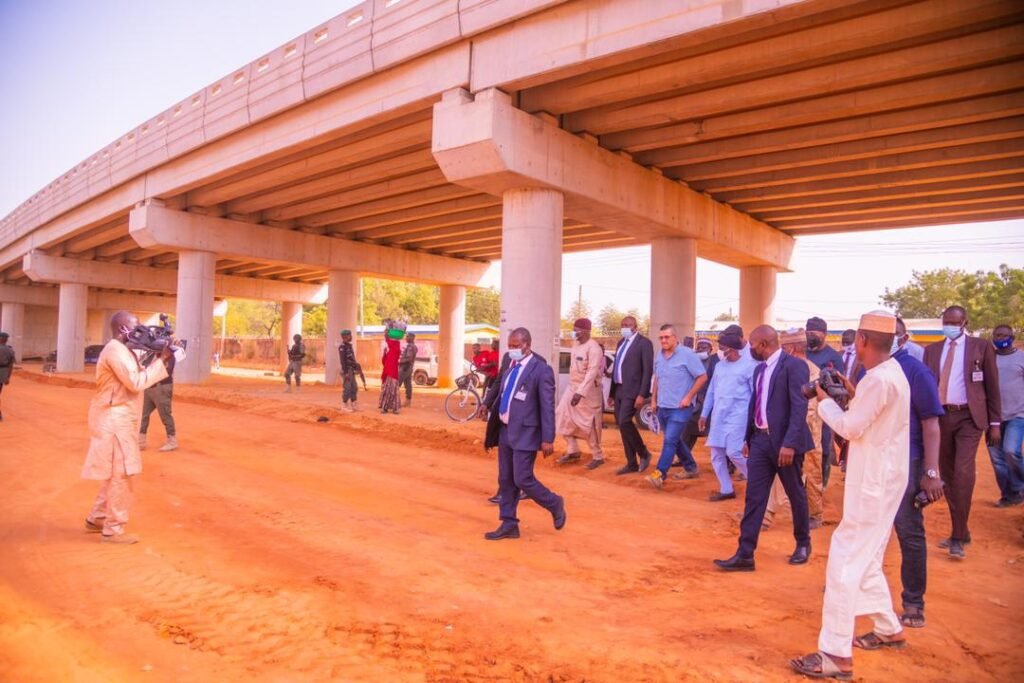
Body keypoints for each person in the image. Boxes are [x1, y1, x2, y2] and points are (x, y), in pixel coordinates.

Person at [791, 311, 911, 681]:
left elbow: (850, 426)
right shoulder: (892, 375)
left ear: (861, 340)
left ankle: (835, 654)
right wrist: (852, 395)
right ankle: (889, 628)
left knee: (844, 562)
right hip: (886, 479)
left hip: (872, 483)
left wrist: (825, 400)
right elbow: (870, 416)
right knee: (869, 555)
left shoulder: (878, 379)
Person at [714, 325, 813, 572]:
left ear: (763, 344)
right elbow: (755, 404)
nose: (751, 350)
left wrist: (789, 443)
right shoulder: (759, 370)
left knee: (795, 493)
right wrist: (748, 438)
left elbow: (799, 406)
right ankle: (745, 554)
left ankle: (803, 543)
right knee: (754, 497)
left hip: (784, 444)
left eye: (753, 346)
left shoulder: (794, 366)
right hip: (760, 442)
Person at [82, 311, 179, 544]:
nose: (142, 331)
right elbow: (136, 382)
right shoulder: (116, 351)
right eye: (136, 327)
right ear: (123, 329)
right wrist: (162, 358)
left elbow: (140, 374)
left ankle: (98, 517)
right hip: (115, 420)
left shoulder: (123, 350)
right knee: (122, 475)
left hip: (118, 418)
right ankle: (113, 529)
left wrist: (164, 356)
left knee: (114, 474)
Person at [923, 305, 1001, 559]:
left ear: (964, 322)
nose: (950, 325)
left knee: (963, 473)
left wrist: (995, 423)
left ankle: (957, 537)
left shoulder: (981, 347)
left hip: (970, 417)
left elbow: (992, 386)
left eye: (955, 322)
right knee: (947, 475)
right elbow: (927, 387)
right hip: (941, 417)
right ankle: (961, 529)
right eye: (946, 321)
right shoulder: (932, 351)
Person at [885, 316, 946, 630]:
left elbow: (931, 422)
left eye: (891, 335)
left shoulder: (916, 371)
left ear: (903, 338)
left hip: (907, 463)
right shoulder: (870, 368)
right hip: (876, 463)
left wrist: (931, 471)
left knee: (908, 532)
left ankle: (913, 602)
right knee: (869, 528)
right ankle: (862, 590)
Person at [480, 327, 566, 540]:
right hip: (506, 431)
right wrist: (487, 404)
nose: (512, 350)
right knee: (506, 479)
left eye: (516, 346)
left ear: (527, 345)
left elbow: (547, 406)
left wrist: (548, 438)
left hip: (527, 433)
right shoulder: (510, 367)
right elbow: (501, 390)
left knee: (522, 479)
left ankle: (554, 502)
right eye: (509, 346)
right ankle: (509, 523)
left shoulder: (541, 370)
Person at [764, 328, 825, 530]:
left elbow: (807, 408)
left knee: (810, 475)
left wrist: (790, 433)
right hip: (790, 431)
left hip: (807, 434)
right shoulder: (789, 367)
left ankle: (814, 515)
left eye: (783, 347)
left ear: (791, 348)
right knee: (787, 475)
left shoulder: (810, 371)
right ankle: (766, 513)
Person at [646, 324, 707, 489]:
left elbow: (702, 377)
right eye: (661, 337)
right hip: (662, 407)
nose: (664, 340)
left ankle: (659, 474)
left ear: (675, 338)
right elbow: (657, 378)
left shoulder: (687, 355)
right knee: (675, 440)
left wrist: (688, 397)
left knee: (670, 440)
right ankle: (691, 467)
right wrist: (653, 400)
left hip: (681, 408)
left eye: (667, 337)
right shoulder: (659, 355)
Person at [699, 329, 755, 501]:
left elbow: (755, 395)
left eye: (723, 348)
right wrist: (704, 414)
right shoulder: (719, 366)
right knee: (716, 454)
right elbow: (711, 391)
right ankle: (726, 489)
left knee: (734, 452)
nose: (720, 351)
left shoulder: (749, 366)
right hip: (719, 416)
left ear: (732, 349)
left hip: (738, 416)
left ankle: (758, 480)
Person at [556, 318, 607, 470]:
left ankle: (598, 456)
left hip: (588, 392)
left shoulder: (594, 348)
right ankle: (573, 450)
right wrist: (574, 390)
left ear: (585, 331)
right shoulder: (575, 345)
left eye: (576, 329)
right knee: (562, 415)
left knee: (588, 424)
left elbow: (591, 373)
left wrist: (580, 393)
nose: (574, 332)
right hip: (572, 388)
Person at [609, 315, 655, 475]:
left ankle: (643, 453)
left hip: (633, 390)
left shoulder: (644, 343)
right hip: (619, 390)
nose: (625, 328)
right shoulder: (621, 343)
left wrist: (642, 394)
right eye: (622, 325)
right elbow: (617, 368)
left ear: (636, 326)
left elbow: (647, 371)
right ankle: (631, 463)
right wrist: (611, 393)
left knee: (624, 422)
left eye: (628, 325)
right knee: (621, 426)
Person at [805, 317, 844, 487]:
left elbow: (838, 385)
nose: (810, 336)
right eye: (808, 333)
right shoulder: (803, 353)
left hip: (823, 408)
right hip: (803, 406)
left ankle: (821, 483)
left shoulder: (833, 357)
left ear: (824, 334)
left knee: (823, 446)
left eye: (814, 333)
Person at [989, 324, 1024, 507]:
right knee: (997, 460)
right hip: (992, 418)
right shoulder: (988, 358)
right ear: (993, 337)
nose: (1001, 338)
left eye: (1005, 335)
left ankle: (1019, 486)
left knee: (1011, 451)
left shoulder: (1021, 357)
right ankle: (1009, 495)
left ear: (1012, 337)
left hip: (1017, 415)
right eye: (998, 335)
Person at [682, 338, 718, 454]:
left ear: (711, 350)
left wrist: (705, 394)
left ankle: (729, 463)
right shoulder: (692, 361)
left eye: (704, 347)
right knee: (689, 429)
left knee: (717, 433)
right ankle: (684, 457)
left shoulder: (716, 362)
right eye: (699, 347)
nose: (701, 350)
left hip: (711, 403)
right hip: (695, 402)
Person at [139, 352, 177, 452]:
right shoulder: (150, 354)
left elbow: (167, 371)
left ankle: (172, 441)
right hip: (149, 387)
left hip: (161, 387)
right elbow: (143, 367)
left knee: (165, 414)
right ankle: (141, 441)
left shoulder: (169, 355)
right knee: (143, 414)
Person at [379, 323, 403, 414]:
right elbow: (384, 362)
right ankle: (385, 408)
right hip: (388, 373)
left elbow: (389, 341)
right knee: (387, 390)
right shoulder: (389, 352)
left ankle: (395, 409)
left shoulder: (396, 349)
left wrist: (387, 334)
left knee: (393, 391)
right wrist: (384, 354)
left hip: (393, 374)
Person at [339, 329, 361, 412]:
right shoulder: (342, 347)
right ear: (344, 337)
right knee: (347, 388)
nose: (350, 337)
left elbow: (352, 359)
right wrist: (346, 372)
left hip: (351, 370)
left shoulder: (349, 346)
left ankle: (354, 404)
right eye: (349, 335)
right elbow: (343, 361)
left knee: (354, 387)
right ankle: (344, 405)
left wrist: (356, 368)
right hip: (347, 370)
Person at [0, 332, 14, 421]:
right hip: (3, 372)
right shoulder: (10, 350)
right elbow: (10, 366)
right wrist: (8, 377)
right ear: (6, 339)